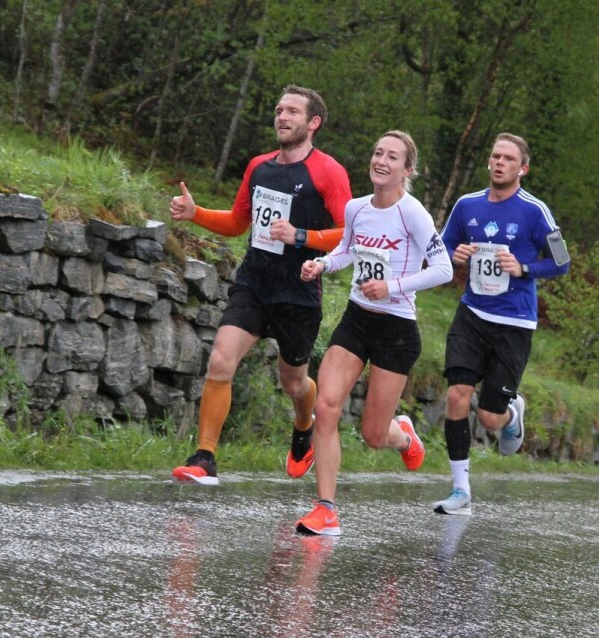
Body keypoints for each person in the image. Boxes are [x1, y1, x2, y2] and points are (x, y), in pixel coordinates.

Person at [168, 85, 352, 486]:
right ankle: (205, 458)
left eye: (292, 112)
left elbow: (348, 234)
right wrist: (195, 213)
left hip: (299, 291)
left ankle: (304, 428)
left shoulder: (329, 172)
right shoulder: (258, 167)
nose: (282, 117)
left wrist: (301, 237)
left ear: (313, 123)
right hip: (254, 282)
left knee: (295, 382)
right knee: (220, 360)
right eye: (278, 110)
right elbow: (238, 222)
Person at [295, 130, 453, 535]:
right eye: (377, 153)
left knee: (372, 434)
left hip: (397, 329)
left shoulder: (413, 213)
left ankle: (403, 436)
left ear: (407, 170)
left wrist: (392, 286)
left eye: (392, 157)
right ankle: (326, 509)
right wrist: (322, 265)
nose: (381, 161)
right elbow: (347, 249)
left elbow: (445, 269)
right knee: (326, 407)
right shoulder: (356, 208)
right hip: (356, 320)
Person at [433, 132, 570, 515]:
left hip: (513, 323)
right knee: (457, 395)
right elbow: (442, 247)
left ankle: (512, 412)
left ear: (522, 169)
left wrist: (524, 267)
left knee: (489, 417)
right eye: (495, 156)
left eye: (508, 158)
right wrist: (454, 253)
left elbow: (562, 261)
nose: (499, 162)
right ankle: (460, 489)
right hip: (471, 314)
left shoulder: (535, 211)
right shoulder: (467, 205)